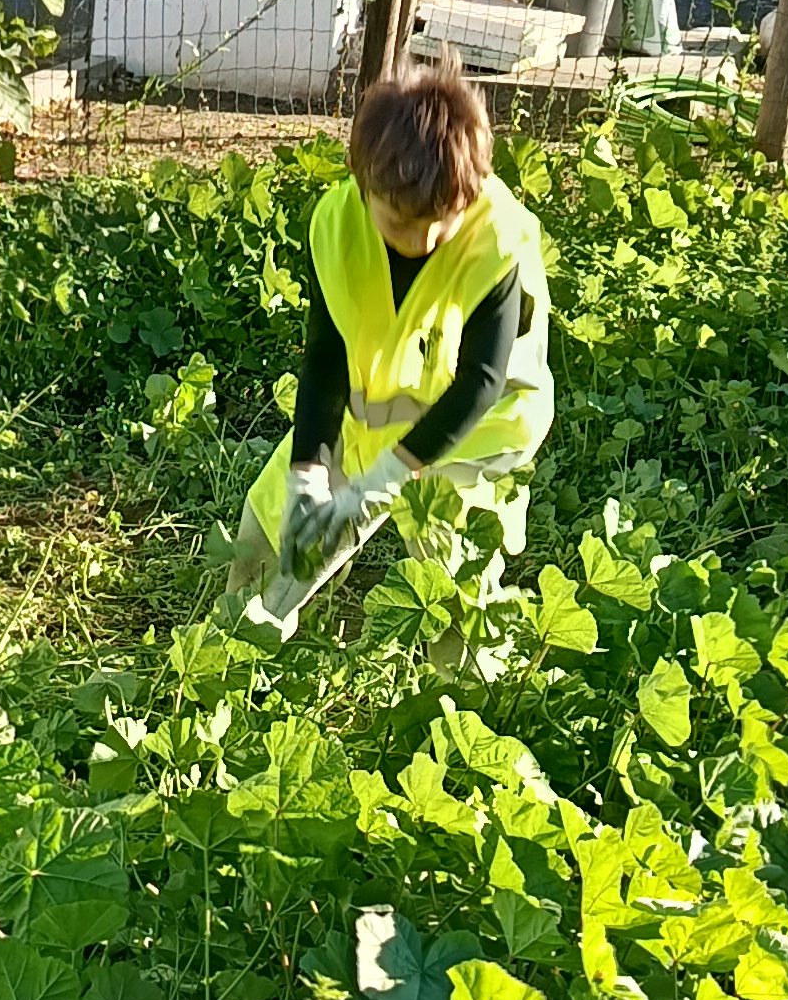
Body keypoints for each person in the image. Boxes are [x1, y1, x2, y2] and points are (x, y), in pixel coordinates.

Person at [227, 62, 553, 642]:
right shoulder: (337, 224)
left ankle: (458, 693)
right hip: (374, 407)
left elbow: (480, 380)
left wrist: (382, 480)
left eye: (440, 224)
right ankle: (227, 637)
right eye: (399, 223)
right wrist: (310, 473)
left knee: (453, 592)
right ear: (361, 180)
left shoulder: (497, 242)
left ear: (469, 195)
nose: (421, 241)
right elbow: (325, 357)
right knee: (267, 529)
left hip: (473, 435)